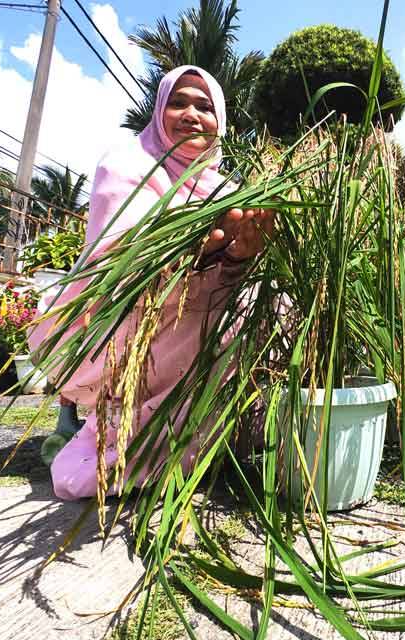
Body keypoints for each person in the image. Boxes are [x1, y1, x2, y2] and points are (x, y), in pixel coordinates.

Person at [29, 65, 273, 500]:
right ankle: (109, 428)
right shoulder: (126, 167)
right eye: (178, 102)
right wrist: (189, 248)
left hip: (194, 315)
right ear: (158, 110)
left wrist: (234, 255)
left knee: (265, 303)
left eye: (205, 106)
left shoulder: (226, 189)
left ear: (220, 122)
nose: (191, 115)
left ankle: (199, 433)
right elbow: (119, 259)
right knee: (87, 462)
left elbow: (230, 274)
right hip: (125, 320)